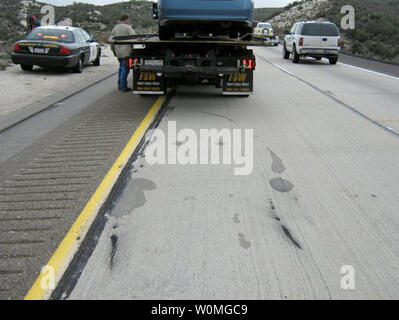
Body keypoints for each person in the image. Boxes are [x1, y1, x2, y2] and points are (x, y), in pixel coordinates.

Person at [110, 14, 136, 92]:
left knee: (121, 68)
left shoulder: (114, 29)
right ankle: (123, 86)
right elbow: (134, 39)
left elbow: (111, 42)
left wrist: (114, 51)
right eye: (128, 20)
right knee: (125, 69)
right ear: (126, 20)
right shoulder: (128, 28)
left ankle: (119, 85)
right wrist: (134, 51)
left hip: (118, 52)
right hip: (126, 52)